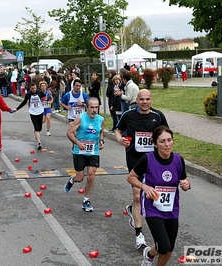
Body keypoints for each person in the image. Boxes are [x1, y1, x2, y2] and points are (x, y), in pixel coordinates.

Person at [127, 126, 191, 266]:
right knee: (163, 246)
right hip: (153, 208)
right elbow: (131, 177)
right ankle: (150, 253)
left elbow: (184, 180)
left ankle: (151, 257)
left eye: (169, 140)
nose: (167, 144)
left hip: (171, 209)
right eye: (162, 141)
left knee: (169, 248)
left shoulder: (178, 160)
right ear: (155, 144)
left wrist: (186, 184)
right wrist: (144, 187)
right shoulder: (148, 159)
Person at [115, 89, 169, 250]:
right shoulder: (128, 115)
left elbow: (166, 135)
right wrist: (120, 139)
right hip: (135, 160)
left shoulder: (158, 116)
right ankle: (139, 235)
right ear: (136, 100)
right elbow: (118, 130)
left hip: (154, 161)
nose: (144, 102)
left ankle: (133, 210)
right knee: (138, 196)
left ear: (151, 100)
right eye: (141, 99)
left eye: (147, 99)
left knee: (154, 196)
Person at [64, 97, 105, 212]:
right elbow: (69, 133)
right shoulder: (80, 119)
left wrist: (101, 141)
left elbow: (102, 131)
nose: (94, 110)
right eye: (92, 107)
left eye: (96, 107)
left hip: (93, 152)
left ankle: (86, 200)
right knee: (80, 178)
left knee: (91, 175)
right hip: (80, 151)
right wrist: (78, 143)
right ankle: (72, 180)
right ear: (87, 107)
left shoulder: (101, 119)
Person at [14, 82, 45, 150]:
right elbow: (24, 102)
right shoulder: (28, 94)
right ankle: (39, 142)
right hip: (32, 112)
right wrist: (17, 109)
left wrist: (47, 100)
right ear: (30, 88)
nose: (33, 90)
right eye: (32, 89)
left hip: (40, 111)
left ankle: (37, 135)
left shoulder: (40, 92)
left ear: (36, 87)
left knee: (39, 128)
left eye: (34, 88)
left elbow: (45, 99)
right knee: (36, 128)